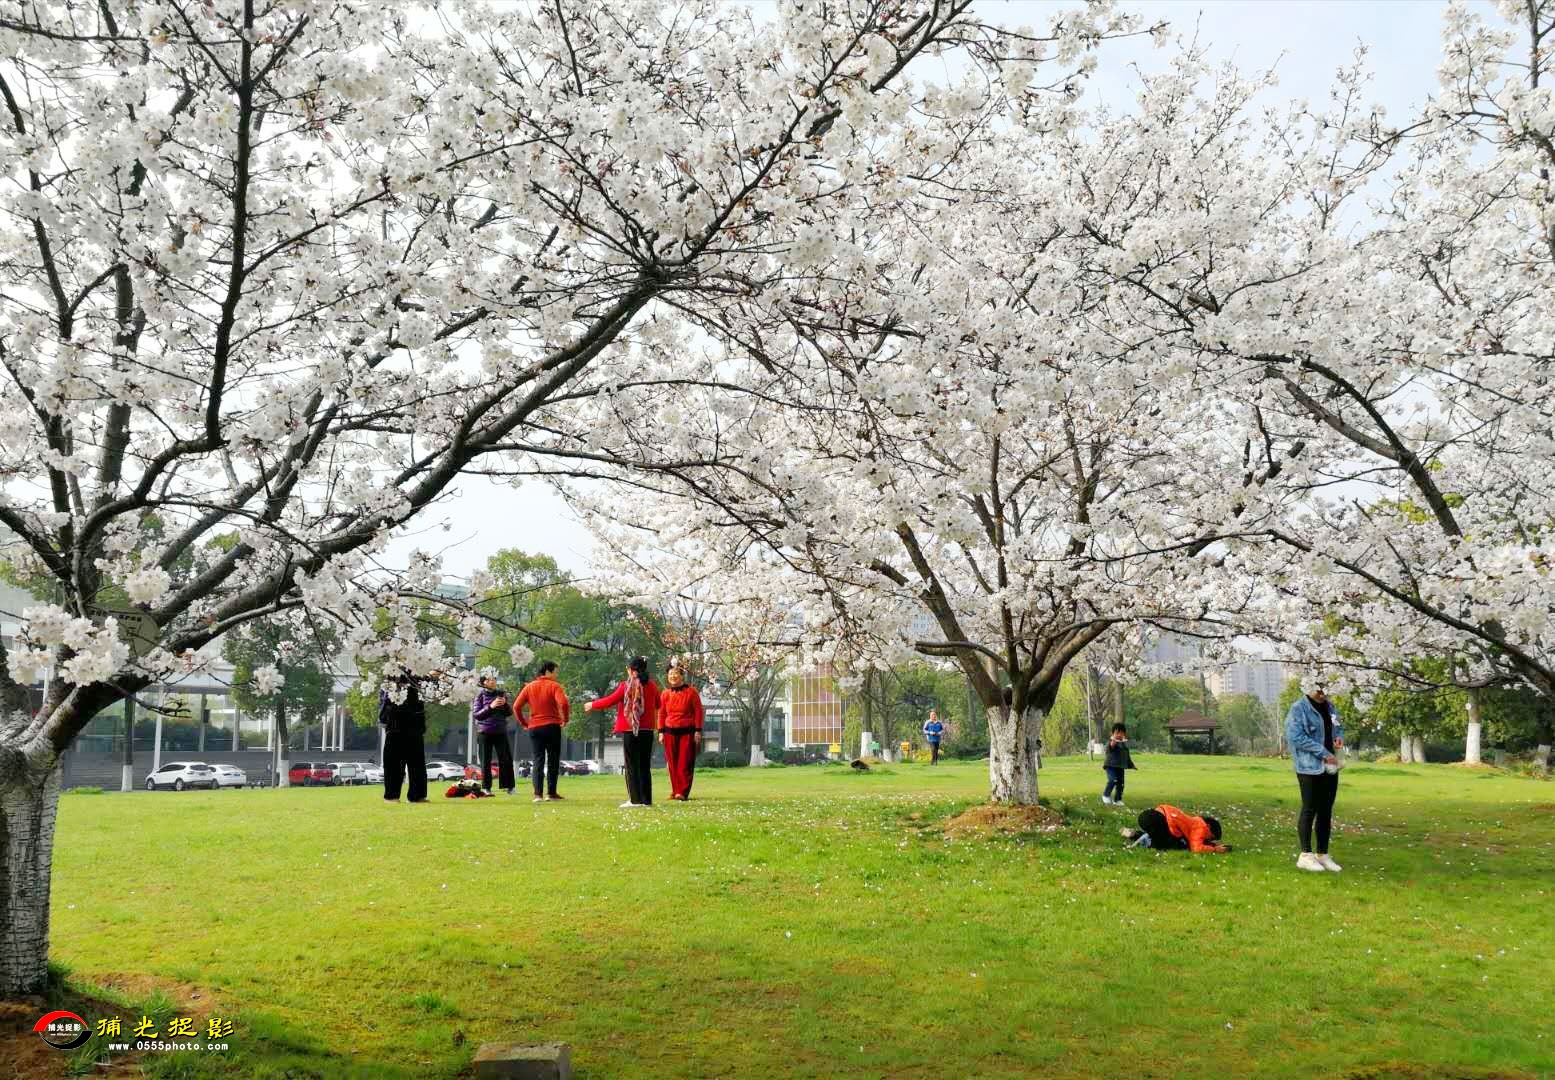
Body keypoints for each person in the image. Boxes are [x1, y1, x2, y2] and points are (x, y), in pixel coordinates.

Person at [1286, 681, 1345, 873]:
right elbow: (1296, 737)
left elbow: (1338, 727)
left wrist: (1339, 737)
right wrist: (1323, 752)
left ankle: (1322, 854)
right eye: (1318, 690)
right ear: (1308, 687)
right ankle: (1305, 855)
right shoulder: (1299, 709)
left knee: (1326, 810)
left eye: (1324, 690)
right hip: (1309, 767)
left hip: (1330, 766)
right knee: (1309, 808)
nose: (1322, 694)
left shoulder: (1330, 707)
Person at [588, 656, 660, 807]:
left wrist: (592, 704)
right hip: (647, 730)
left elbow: (610, 700)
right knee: (644, 766)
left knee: (631, 766)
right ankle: (646, 800)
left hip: (630, 729)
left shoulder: (625, 686)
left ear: (631, 670)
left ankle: (635, 800)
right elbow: (658, 703)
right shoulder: (652, 685)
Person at [514, 660, 570, 803]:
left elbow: (516, 706)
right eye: (555, 672)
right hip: (552, 726)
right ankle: (551, 793)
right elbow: (564, 703)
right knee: (553, 760)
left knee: (538, 760)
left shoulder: (529, 687)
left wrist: (524, 723)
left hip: (534, 727)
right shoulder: (554, 686)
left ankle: (538, 795)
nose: (556, 675)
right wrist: (565, 719)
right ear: (548, 672)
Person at [380, 671, 430, 803]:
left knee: (417, 762)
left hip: (414, 723)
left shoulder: (419, 676)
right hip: (396, 723)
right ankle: (392, 795)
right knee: (394, 763)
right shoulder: (392, 675)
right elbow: (385, 699)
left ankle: (417, 795)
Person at [658, 662, 705, 801]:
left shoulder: (691, 692)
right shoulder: (665, 694)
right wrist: (660, 732)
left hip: (688, 732)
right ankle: (675, 791)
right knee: (672, 764)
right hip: (669, 732)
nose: (673, 676)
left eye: (676, 673)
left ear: (682, 675)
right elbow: (661, 713)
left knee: (685, 763)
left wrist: (698, 730)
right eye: (670, 674)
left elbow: (698, 712)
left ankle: (682, 792)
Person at [471, 674, 516, 795]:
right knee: (485, 761)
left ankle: (509, 787)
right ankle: (486, 788)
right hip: (484, 732)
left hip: (500, 731)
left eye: (494, 679)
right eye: (489, 679)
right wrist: (490, 707)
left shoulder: (501, 694)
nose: (493, 681)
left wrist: (505, 704)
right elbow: (477, 715)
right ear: (483, 682)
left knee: (506, 759)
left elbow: (509, 713)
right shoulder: (480, 695)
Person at [1120, 804, 1231, 853]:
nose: (1207, 839)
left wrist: (1211, 845)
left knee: (1159, 837)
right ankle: (1137, 836)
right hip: (1157, 819)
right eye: (1210, 837)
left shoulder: (1195, 821)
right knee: (1171, 846)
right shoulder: (1201, 828)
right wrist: (1215, 849)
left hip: (1150, 815)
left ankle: (1133, 834)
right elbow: (1196, 848)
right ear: (1209, 827)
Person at [1102, 722, 1136, 807]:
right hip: (1111, 766)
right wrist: (1114, 741)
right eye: (1117, 733)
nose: (1119, 735)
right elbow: (1110, 747)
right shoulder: (1112, 741)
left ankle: (1117, 800)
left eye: (1121, 733)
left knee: (1121, 783)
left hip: (1120, 767)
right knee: (1113, 780)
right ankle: (1106, 795)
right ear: (1113, 733)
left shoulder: (1124, 744)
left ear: (1124, 734)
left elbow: (1126, 755)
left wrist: (1131, 764)